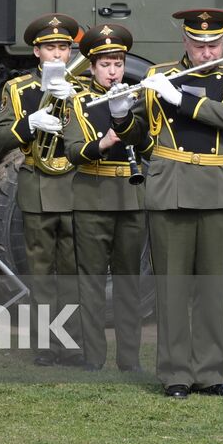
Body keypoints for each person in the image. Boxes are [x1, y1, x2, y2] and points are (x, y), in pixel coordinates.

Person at [140, 9, 223, 399]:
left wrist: (182, 98)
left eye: (214, 45)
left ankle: (210, 373)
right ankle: (175, 375)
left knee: (211, 287)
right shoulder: (159, 76)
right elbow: (139, 127)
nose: (207, 51)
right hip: (171, 187)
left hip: (219, 190)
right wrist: (119, 116)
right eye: (200, 45)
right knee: (171, 287)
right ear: (185, 42)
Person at [0, 13, 84, 366]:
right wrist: (29, 123)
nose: (58, 55)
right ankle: (46, 345)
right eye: (50, 48)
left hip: (77, 183)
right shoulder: (19, 89)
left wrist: (75, 103)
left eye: (63, 47)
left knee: (73, 271)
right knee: (41, 274)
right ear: (36, 51)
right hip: (38, 183)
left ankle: (73, 344)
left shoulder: (82, 85)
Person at [61, 23, 152, 374]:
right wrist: (102, 145)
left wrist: (125, 118)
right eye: (105, 65)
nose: (113, 71)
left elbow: (146, 146)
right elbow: (72, 152)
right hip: (92, 197)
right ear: (91, 67)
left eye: (118, 64)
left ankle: (129, 359)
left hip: (130, 196)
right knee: (92, 281)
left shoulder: (135, 98)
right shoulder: (78, 101)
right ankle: (93, 357)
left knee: (129, 281)